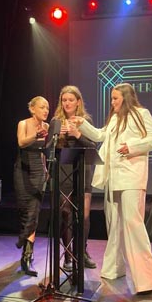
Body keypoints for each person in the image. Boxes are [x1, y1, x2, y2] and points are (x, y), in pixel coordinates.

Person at [71, 83, 152, 294]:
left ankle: (147, 279)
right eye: (111, 98)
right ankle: (114, 269)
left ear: (126, 98)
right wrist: (82, 124)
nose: (112, 102)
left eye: (115, 98)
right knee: (113, 225)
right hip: (113, 178)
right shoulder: (114, 118)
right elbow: (101, 136)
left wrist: (131, 147)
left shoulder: (141, 113)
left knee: (133, 225)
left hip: (131, 177)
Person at [53, 85, 97, 272]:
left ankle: (82, 251)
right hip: (64, 171)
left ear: (78, 102)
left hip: (84, 170)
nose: (67, 103)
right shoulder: (56, 121)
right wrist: (57, 135)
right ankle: (68, 255)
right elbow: (49, 147)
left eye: (71, 100)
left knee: (84, 215)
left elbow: (93, 146)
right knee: (66, 214)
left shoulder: (84, 120)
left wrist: (77, 134)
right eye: (64, 100)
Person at [13, 96, 49, 276]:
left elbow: (44, 153)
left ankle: (27, 254)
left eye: (47, 108)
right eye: (42, 107)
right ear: (32, 109)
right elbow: (21, 142)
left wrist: (46, 169)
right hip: (22, 170)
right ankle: (24, 241)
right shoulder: (23, 124)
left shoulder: (47, 127)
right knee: (24, 209)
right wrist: (36, 135)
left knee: (34, 211)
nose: (45, 111)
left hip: (38, 171)